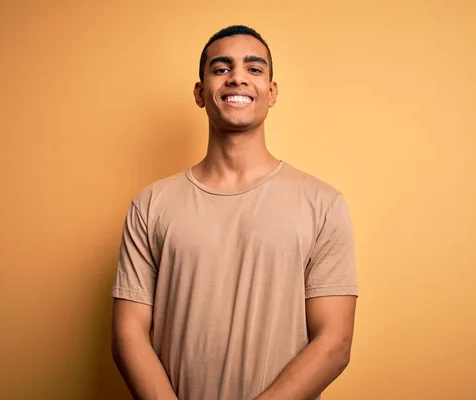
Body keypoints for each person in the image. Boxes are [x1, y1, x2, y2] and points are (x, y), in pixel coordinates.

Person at [111, 25, 358, 400]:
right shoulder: (150, 205)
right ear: (200, 92)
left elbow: (334, 343)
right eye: (221, 68)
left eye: (254, 69)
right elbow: (128, 334)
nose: (238, 77)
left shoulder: (322, 203)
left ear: (271, 93)